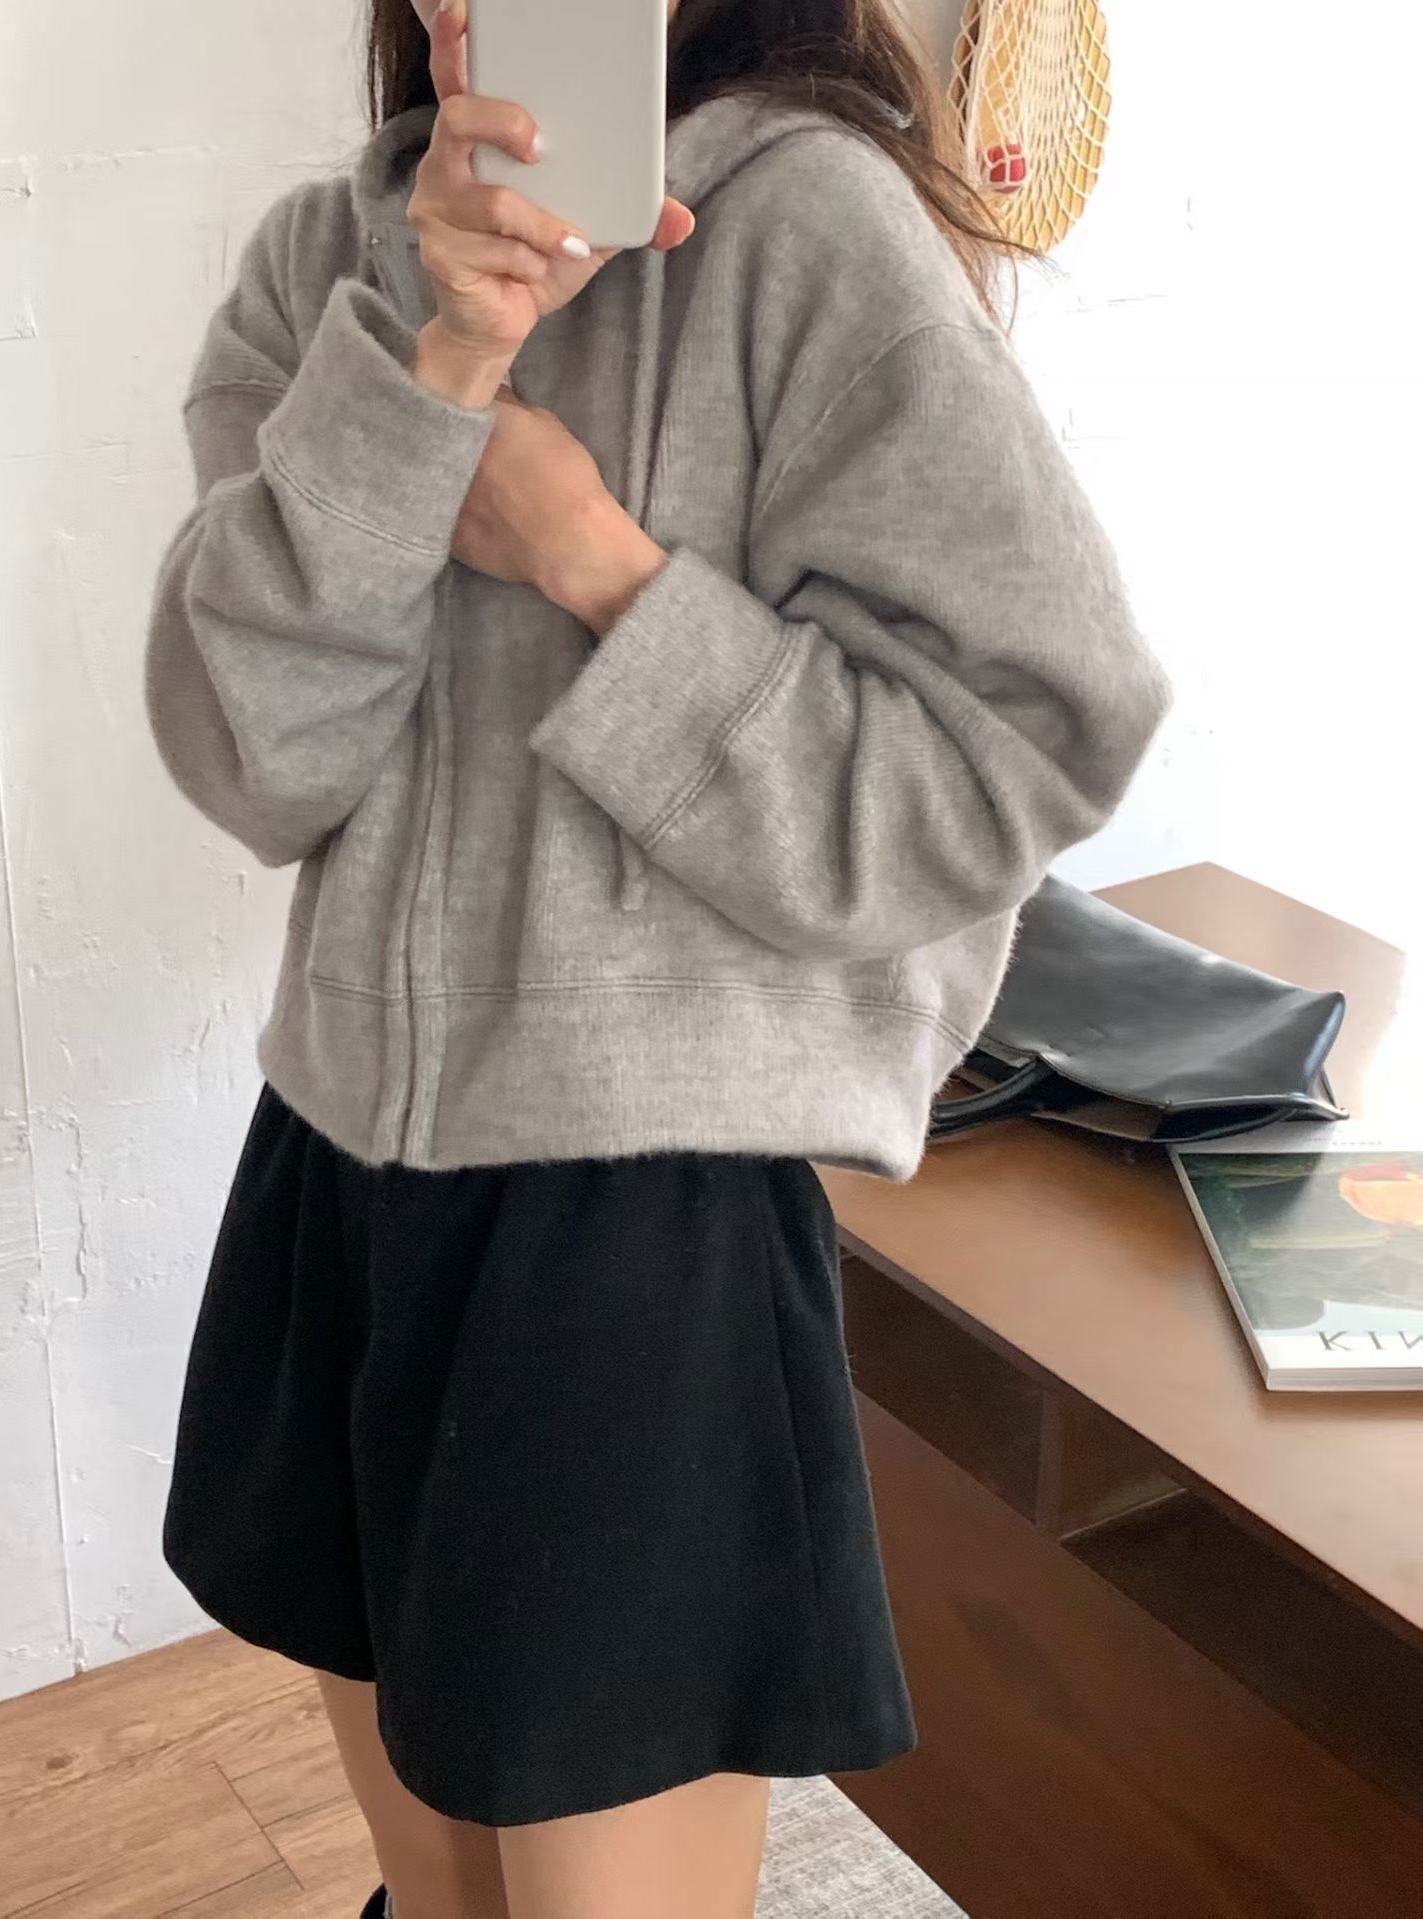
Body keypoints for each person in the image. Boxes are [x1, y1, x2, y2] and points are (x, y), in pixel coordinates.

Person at [144, 0, 1170, 1913]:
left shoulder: (809, 230)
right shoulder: (321, 268)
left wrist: (596, 561)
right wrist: (436, 372)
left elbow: (1013, 755)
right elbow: (254, 761)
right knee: (436, 1886)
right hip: (337, 1174)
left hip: (640, 1226)